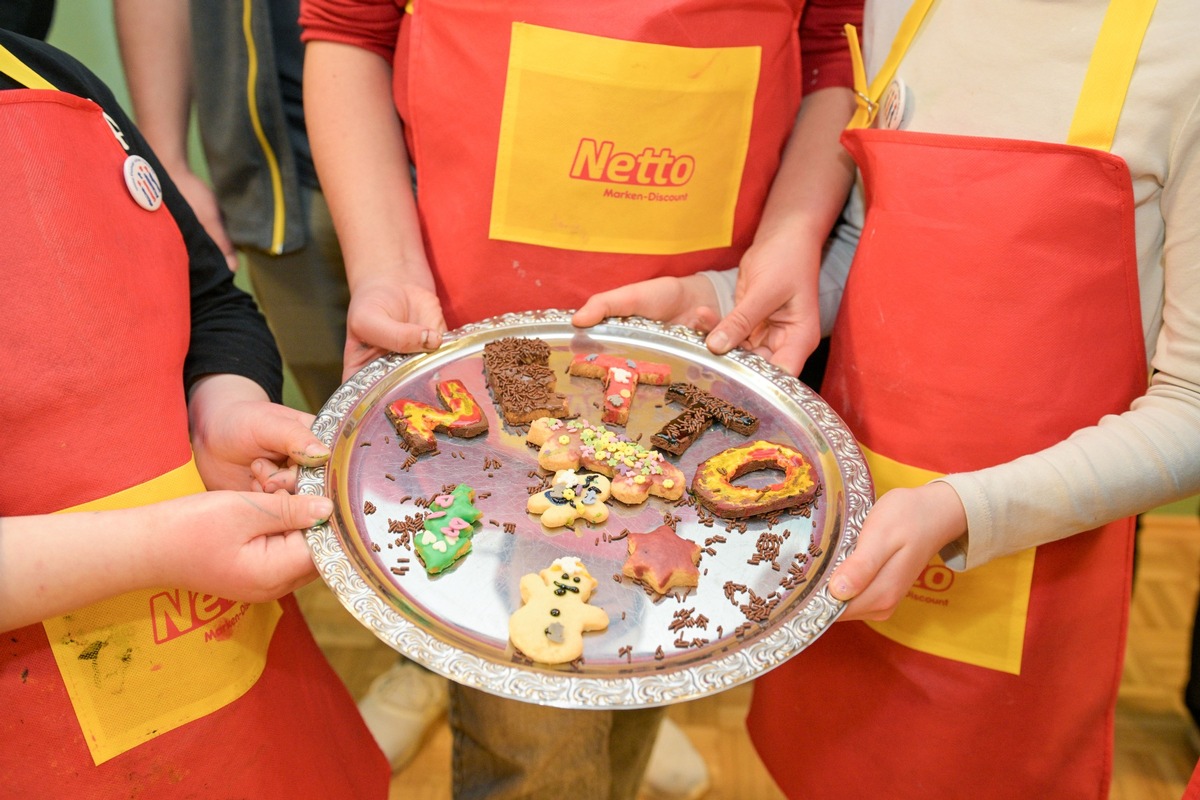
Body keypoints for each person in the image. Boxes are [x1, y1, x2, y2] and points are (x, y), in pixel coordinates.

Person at [583, 0, 1200, 797]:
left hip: (1024, 569)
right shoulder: (903, 10)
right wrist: (724, 295)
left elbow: (1191, 405)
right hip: (851, 524)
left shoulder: (1181, 44)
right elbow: (868, 244)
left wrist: (962, 511)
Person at [296, 1, 863, 798]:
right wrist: (386, 264)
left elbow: (831, 46)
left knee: (644, 673)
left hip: (701, 359)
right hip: (488, 396)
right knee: (531, 755)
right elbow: (349, 27)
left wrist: (788, 239)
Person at [0, 28, 388, 797]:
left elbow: (211, 303)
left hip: (235, 675)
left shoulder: (42, 75)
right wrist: (156, 546)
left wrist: (223, 407)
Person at [111, 0, 450, 771]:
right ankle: (424, 659)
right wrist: (165, 152)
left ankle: (572, 645)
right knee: (377, 462)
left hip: (473, 174)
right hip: (277, 172)